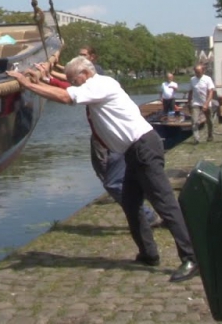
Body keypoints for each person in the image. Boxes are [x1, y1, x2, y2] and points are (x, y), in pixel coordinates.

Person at [11, 56, 198, 283]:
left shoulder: (100, 85)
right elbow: (66, 87)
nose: (73, 82)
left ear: (85, 74)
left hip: (143, 148)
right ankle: (149, 253)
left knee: (165, 203)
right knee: (131, 204)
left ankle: (191, 257)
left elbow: (65, 96)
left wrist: (28, 84)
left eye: (74, 79)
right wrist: (46, 77)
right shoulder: (94, 84)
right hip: (133, 151)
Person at [43, 49, 158, 226]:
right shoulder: (85, 75)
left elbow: (70, 89)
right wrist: (49, 76)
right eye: (79, 54)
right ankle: (141, 210)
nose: (80, 56)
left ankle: (144, 215)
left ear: (91, 60)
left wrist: (46, 79)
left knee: (113, 180)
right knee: (108, 174)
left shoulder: (98, 75)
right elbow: (71, 83)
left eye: (83, 54)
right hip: (104, 137)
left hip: (113, 140)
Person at [189, 64, 215, 144]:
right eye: (196, 72)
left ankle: (210, 136)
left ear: (203, 71)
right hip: (196, 103)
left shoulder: (207, 79)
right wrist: (189, 102)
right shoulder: (192, 79)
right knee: (194, 120)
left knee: (209, 120)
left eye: (199, 72)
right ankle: (196, 138)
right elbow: (190, 91)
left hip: (206, 102)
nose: (197, 73)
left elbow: (211, 92)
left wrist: (206, 104)